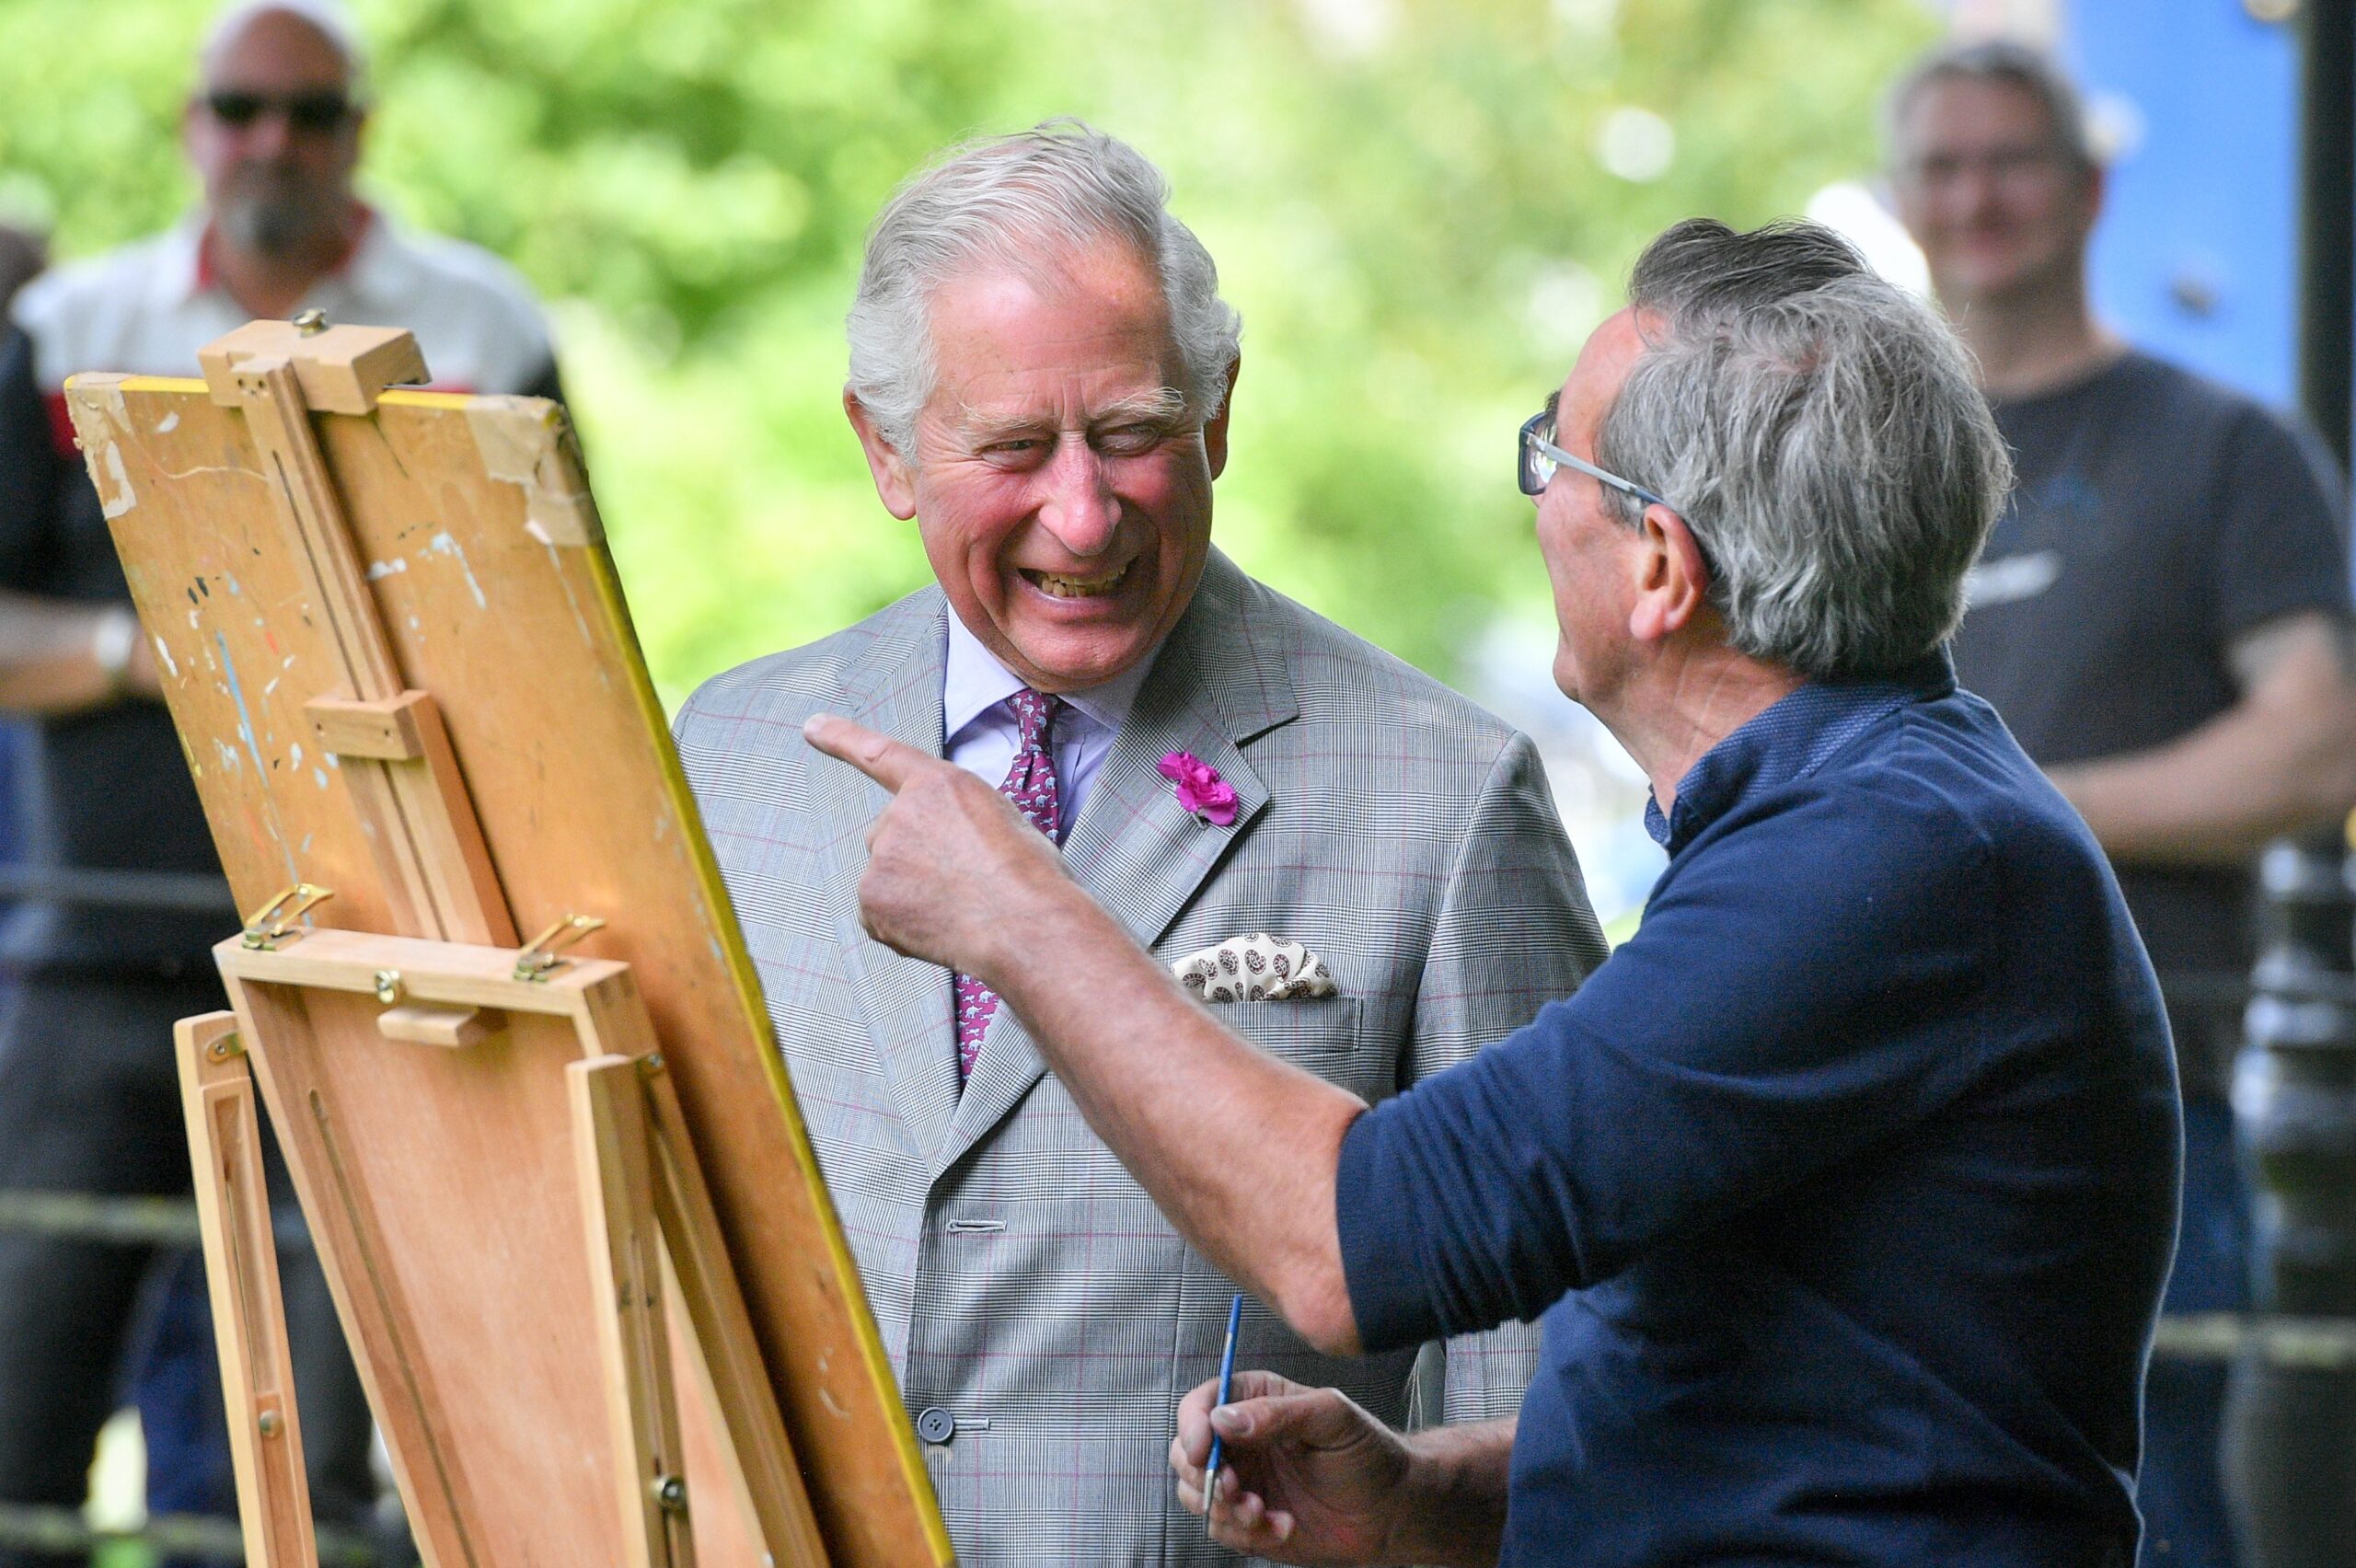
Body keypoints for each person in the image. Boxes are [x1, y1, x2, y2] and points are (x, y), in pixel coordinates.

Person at [804, 216, 2184, 1566]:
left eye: (1556, 457)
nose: (1538, 503)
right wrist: (1433, 1494)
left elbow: (1349, 1242)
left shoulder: (1884, 861)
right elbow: (1826, 1406)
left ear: (1660, 568)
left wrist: (1021, 916)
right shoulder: (1866, 826)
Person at [670, 122, 1606, 1564]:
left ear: (1218, 415)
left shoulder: (1448, 795)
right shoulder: (727, 757)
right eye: (1014, 447)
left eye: (1129, 433)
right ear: (885, 448)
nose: (1083, 511)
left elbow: (1542, 1405)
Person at [0, 3, 562, 1560]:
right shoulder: (67, 325)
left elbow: (542, 633)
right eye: (241, 107)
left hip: (361, 951)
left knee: (315, 1479)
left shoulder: (481, 321)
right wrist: (158, 650)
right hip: (95, 947)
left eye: (308, 114)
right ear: (194, 123)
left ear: (358, 132)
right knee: (20, 1443)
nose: (272, 142)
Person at [1886, 42, 2356, 1568]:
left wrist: (2021, 812)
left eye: (2011, 160)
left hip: (2149, 1100)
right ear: (1905, 199)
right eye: (1944, 167)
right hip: (1873, 1103)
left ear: (2089, 191)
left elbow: (2321, 749)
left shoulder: (2220, 450)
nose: (1979, 198)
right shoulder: (1858, 467)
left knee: (2156, 1524)